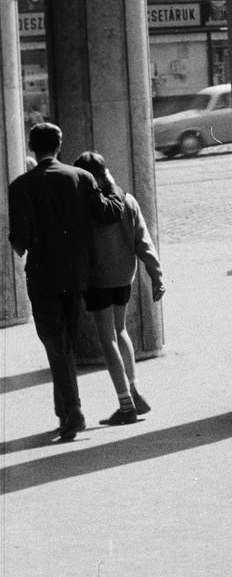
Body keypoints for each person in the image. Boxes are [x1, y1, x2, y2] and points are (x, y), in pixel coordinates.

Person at [8, 122, 124, 441]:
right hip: (76, 276)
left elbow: (19, 242)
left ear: (32, 147)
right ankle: (65, 414)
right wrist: (110, 182)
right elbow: (109, 212)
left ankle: (72, 411)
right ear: (60, 146)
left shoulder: (20, 186)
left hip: (43, 277)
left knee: (55, 346)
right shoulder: (82, 178)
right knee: (65, 346)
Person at [73, 152, 165, 425]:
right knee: (121, 330)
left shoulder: (84, 207)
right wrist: (156, 274)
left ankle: (125, 404)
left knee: (107, 339)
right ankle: (135, 388)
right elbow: (143, 242)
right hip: (124, 277)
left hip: (98, 280)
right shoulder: (127, 200)